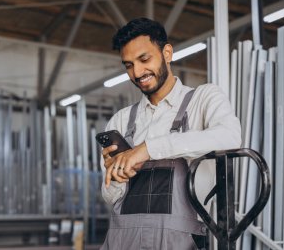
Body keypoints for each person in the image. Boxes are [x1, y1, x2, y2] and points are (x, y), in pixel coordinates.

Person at [100, 17, 241, 250]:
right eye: (128, 65)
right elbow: (111, 198)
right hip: (122, 241)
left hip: (179, 243)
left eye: (144, 59)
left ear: (167, 53)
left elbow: (230, 136)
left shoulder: (203, 99)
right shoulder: (122, 119)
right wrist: (116, 178)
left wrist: (146, 150)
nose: (137, 72)